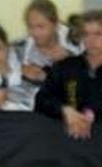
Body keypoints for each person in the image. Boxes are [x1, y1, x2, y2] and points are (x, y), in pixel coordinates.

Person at [35, 9, 102, 141]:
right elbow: (41, 100)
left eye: (98, 34)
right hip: (65, 144)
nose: (91, 40)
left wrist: (91, 115)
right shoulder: (65, 67)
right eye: (86, 34)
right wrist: (64, 110)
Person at [15, 0, 81, 85]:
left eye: (41, 27)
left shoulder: (78, 41)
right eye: (30, 26)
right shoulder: (21, 50)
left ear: (56, 24)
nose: (35, 33)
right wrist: (18, 71)